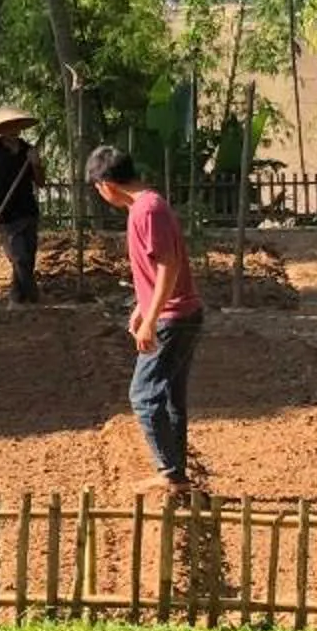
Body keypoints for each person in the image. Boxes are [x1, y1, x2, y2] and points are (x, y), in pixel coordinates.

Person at [86, 144, 206, 488]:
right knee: (169, 396)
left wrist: (152, 318)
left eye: (97, 188)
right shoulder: (146, 206)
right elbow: (157, 268)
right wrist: (142, 304)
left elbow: (169, 265)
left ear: (107, 184)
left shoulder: (147, 211)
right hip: (179, 313)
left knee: (143, 394)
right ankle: (176, 472)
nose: (100, 195)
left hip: (173, 317)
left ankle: (169, 472)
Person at [0, 108, 42, 304]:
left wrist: (36, 164)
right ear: (0, 129)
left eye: (15, 125)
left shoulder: (28, 150)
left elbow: (41, 182)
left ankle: (16, 297)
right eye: (7, 126)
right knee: (18, 257)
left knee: (28, 258)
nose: (13, 129)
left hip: (28, 210)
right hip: (5, 214)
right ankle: (33, 296)